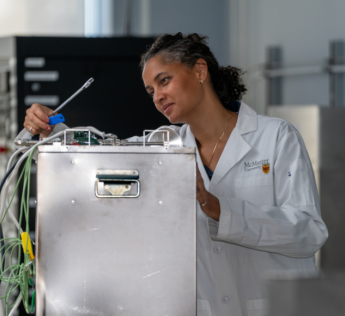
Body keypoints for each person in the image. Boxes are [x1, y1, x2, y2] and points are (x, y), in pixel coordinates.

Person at [19, 33, 328, 316]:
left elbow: (309, 233)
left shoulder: (276, 137)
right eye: (151, 91)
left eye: (164, 81)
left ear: (200, 71)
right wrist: (49, 126)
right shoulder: (165, 148)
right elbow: (99, 150)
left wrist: (215, 207)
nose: (157, 97)